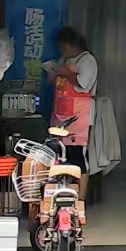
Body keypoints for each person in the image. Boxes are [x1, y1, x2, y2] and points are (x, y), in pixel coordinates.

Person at [52, 27, 99, 201]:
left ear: (73, 45)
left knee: (78, 157)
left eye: (63, 47)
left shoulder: (87, 61)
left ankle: (80, 200)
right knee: (61, 156)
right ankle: (63, 197)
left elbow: (83, 85)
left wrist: (66, 73)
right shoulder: (64, 59)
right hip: (62, 115)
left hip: (81, 116)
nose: (62, 51)